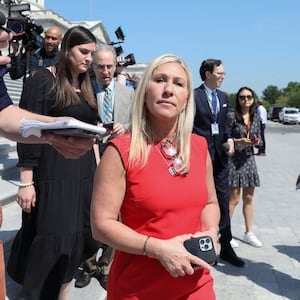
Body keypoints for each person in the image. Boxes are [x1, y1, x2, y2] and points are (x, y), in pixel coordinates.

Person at [91, 54, 220, 299]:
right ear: (145, 91)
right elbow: (101, 225)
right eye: (160, 80)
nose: (169, 89)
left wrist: (211, 232)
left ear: (186, 99)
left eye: (179, 83)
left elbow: (211, 203)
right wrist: (158, 248)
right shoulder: (120, 151)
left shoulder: (200, 147)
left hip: (197, 283)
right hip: (138, 288)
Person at [6, 25, 100, 300]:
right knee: (54, 238)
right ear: (66, 48)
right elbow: (27, 130)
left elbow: (91, 132)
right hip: (53, 173)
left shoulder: (87, 83)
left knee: (79, 237)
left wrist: (97, 171)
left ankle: (63, 293)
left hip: (84, 173)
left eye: (92, 54)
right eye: (84, 51)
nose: (88, 59)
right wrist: (26, 182)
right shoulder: (41, 80)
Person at [74, 43, 134, 289]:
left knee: (116, 216)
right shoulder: (82, 90)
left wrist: (125, 127)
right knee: (89, 216)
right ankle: (87, 265)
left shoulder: (128, 94)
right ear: (93, 66)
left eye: (110, 66)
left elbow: (136, 121)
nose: (106, 71)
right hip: (88, 159)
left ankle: (105, 266)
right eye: (100, 67)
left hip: (119, 163)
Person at [0, 29, 95, 158]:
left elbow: (5, 117)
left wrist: (57, 128)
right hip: (50, 163)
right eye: (84, 52)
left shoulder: (89, 85)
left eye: (92, 54)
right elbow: (16, 74)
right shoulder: (41, 75)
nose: (8, 35)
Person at [193, 59, 245, 267]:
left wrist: (230, 140)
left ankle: (226, 244)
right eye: (220, 73)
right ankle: (199, 243)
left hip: (221, 158)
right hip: (199, 157)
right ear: (208, 74)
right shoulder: (194, 96)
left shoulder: (223, 97)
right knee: (199, 200)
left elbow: (223, 126)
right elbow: (190, 126)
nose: (223, 76)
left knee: (223, 200)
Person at [227, 87, 262, 248]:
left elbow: (260, 138)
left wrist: (256, 142)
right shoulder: (231, 116)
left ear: (253, 99)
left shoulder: (255, 117)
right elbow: (225, 137)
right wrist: (239, 141)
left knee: (248, 198)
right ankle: (225, 233)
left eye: (248, 97)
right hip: (234, 160)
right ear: (238, 99)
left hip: (249, 160)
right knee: (233, 199)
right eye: (242, 97)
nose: (245, 100)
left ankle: (249, 233)